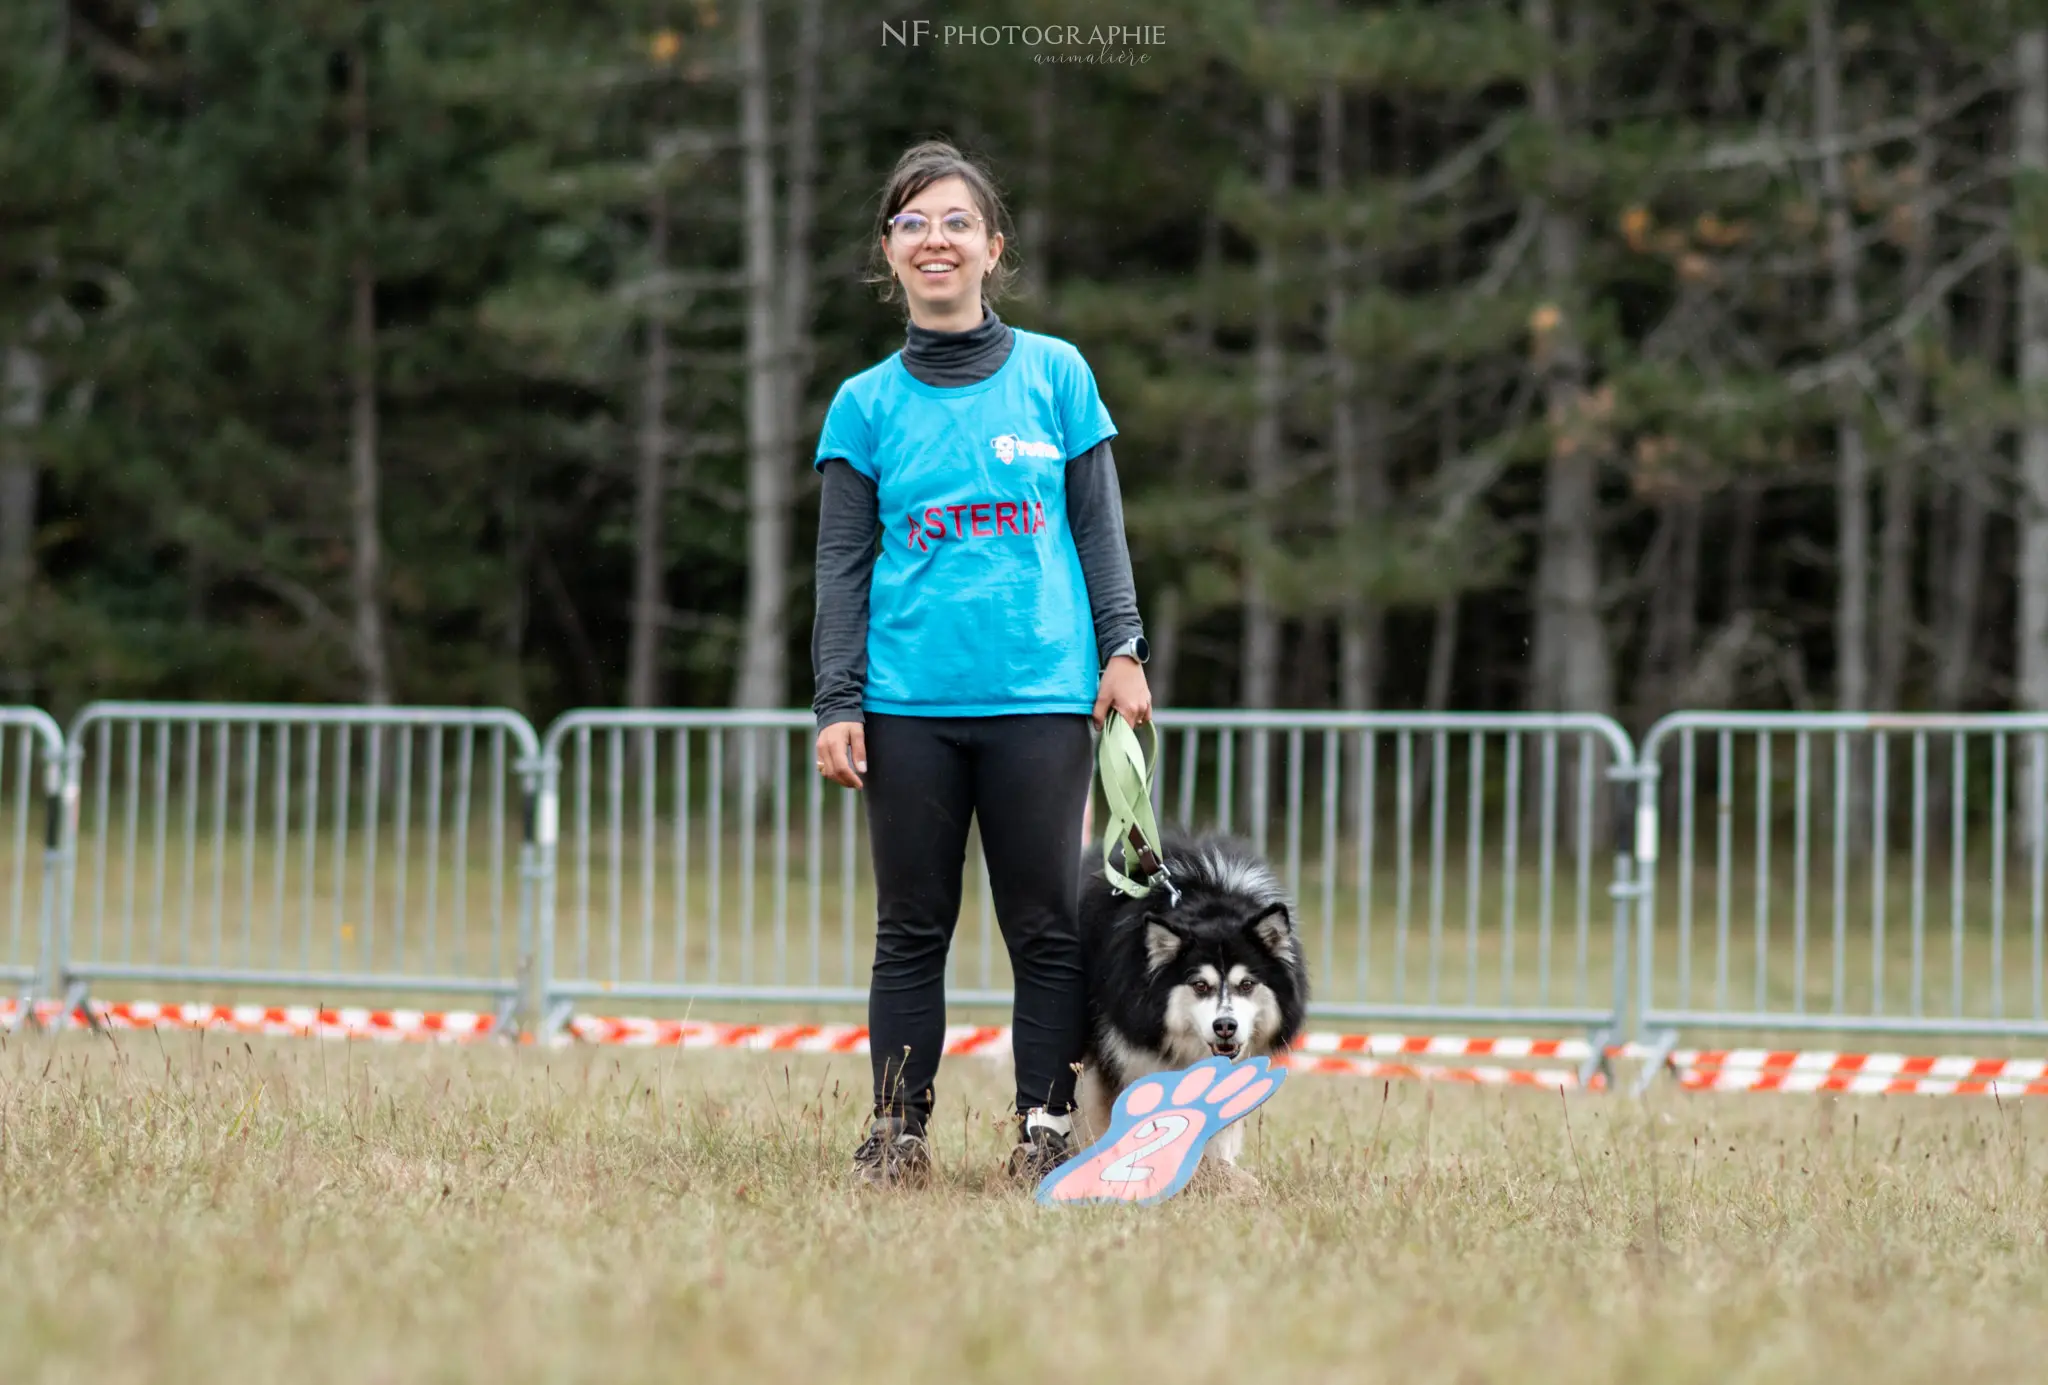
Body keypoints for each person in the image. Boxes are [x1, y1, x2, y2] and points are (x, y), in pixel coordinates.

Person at [810, 140, 1151, 1188]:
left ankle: (1043, 1130)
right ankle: (895, 1135)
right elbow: (840, 562)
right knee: (909, 929)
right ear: (889, 252)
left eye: (955, 221)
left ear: (991, 247)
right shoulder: (862, 404)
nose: (935, 240)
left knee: (1045, 928)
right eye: (913, 223)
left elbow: (1097, 525)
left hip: (1040, 699)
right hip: (908, 705)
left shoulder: (1055, 373)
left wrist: (1124, 648)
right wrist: (837, 697)